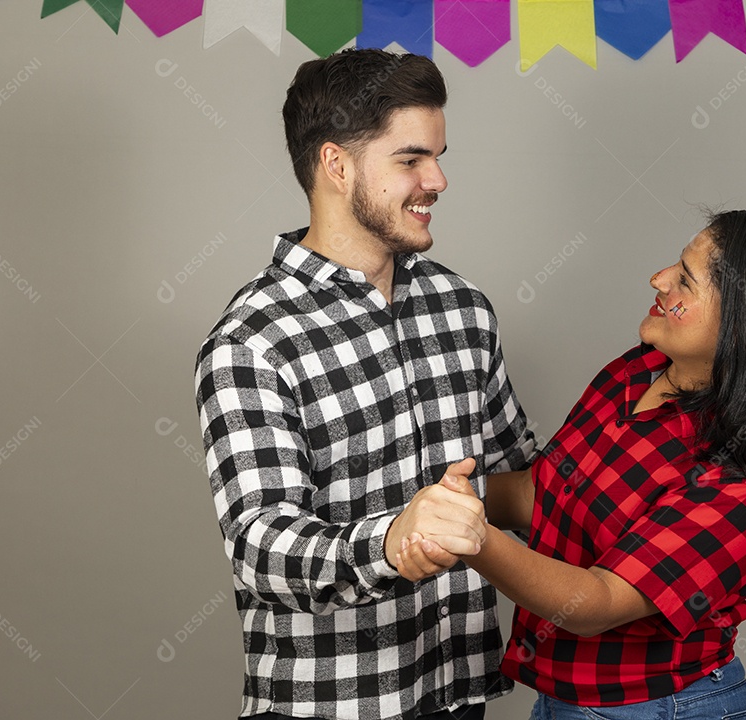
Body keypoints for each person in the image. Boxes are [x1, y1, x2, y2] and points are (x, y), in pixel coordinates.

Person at [398, 210, 746, 719]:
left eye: (685, 280)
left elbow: (595, 603)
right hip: (566, 699)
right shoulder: (637, 370)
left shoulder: (742, 483)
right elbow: (541, 492)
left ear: (742, 323)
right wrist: (429, 499)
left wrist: (470, 537)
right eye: (674, 265)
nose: (658, 279)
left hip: (660, 708)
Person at [194, 49, 536, 720]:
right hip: (330, 704)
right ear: (337, 165)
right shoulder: (252, 341)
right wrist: (392, 542)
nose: (437, 180)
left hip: (457, 691)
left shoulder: (463, 308)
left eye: (438, 157)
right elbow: (261, 548)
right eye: (411, 160)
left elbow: (516, 475)